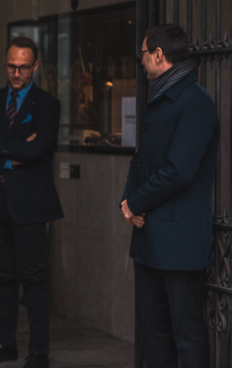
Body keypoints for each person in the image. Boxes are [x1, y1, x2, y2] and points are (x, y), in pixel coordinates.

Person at [121, 24, 219, 367]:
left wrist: (135, 202)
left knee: (187, 334)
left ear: (159, 55)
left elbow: (179, 170)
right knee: (155, 333)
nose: (142, 61)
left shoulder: (195, 102)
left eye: (144, 54)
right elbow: (141, 159)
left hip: (178, 241)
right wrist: (127, 201)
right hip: (149, 235)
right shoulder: (161, 97)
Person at [0, 37, 63, 368]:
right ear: (4, 63)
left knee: (34, 277)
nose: (16, 73)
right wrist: (8, 155)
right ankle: (5, 344)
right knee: (2, 277)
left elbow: (37, 151)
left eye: (23, 67)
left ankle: (38, 352)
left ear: (35, 67)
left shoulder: (47, 105)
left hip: (31, 204)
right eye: (11, 66)